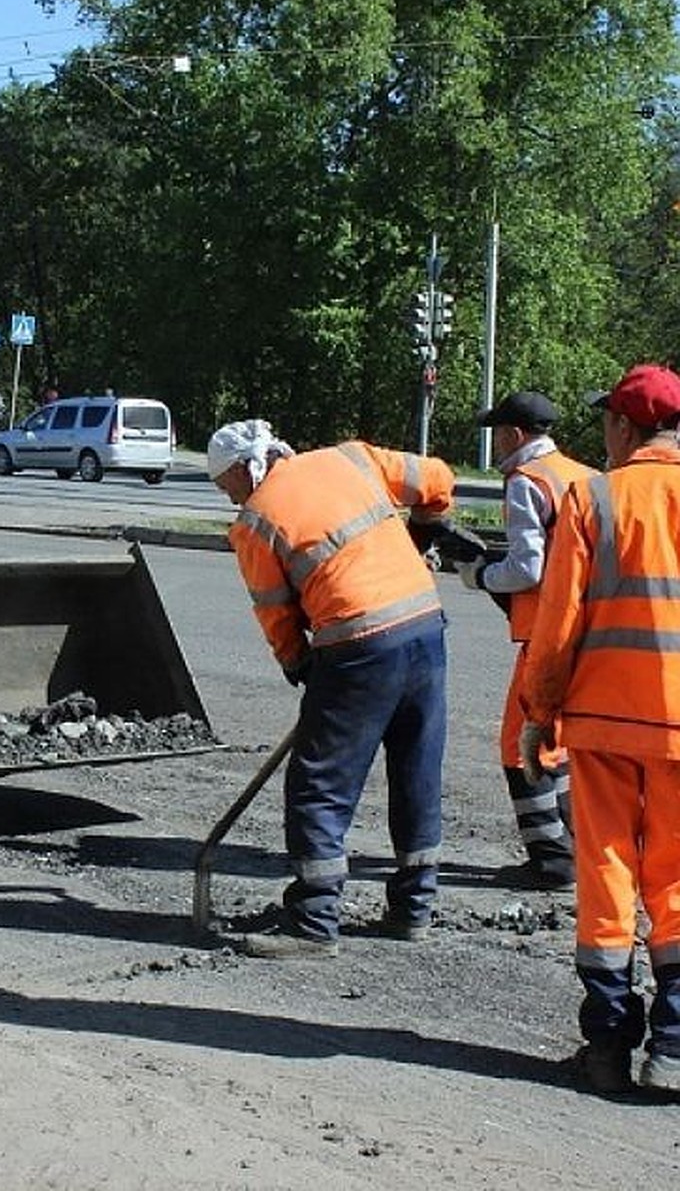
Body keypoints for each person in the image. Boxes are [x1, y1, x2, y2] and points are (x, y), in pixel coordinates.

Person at [207, 419, 455, 958]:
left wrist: (301, 667)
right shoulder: (350, 458)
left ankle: (314, 922)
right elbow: (437, 478)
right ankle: (414, 909)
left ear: (243, 471)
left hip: (358, 643)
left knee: (318, 781)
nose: (229, 498)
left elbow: (276, 615)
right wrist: (423, 533)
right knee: (416, 769)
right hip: (425, 625)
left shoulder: (255, 522)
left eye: (225, 487)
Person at [522, 363, 680, 1096]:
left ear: (624, 426)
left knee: (607, 871)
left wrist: (537, 714)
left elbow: (556, 626)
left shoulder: (595, 499)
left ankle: (610, 1047)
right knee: (677, 881)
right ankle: (674, 1050)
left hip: (604, 723)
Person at [460, 391, 596, 890]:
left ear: (515, 435)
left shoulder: (525, 482)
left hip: (547, 635)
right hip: (592, 628)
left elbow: (527, 568)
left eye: (497, 433)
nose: (495, 443)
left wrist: (479, 574)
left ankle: (551, 859)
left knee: (522, 746)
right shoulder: (583, 474)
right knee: (561, 743)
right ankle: (574, 849)